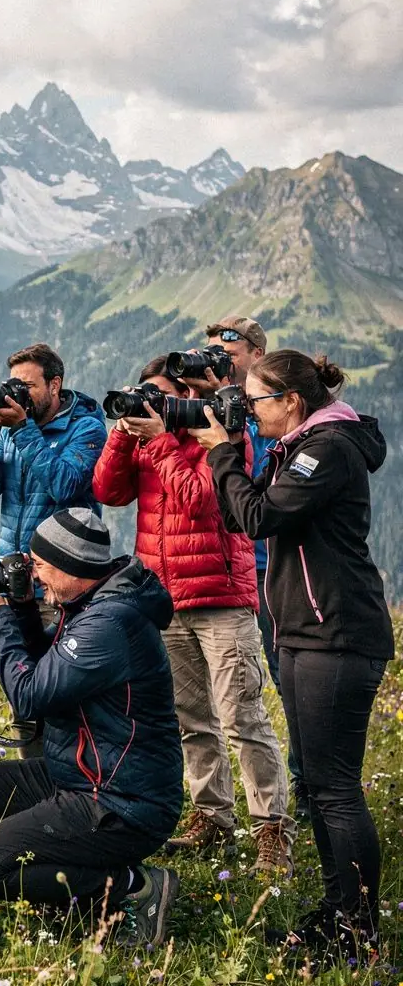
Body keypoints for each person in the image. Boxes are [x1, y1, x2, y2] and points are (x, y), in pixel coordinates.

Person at [197, 350, 395, 959]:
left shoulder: (326, 450)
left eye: (256, 401)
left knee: (335, 789)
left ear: (291, 401)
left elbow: (256, 517)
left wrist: (225, 450)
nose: (250, 411)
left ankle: (358, 930)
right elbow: (248, 512)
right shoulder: (305, 444)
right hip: (310, 634)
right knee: (317, 782)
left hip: (336, 636)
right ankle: (339, 911)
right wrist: (237, 449)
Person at [0, 508, 184, 946]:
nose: (34, 575)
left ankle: (134, 887)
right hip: (77, 772)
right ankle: (71, 881)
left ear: (73, 567)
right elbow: (53, 664)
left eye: (40, 566)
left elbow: (31, 694)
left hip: (120, 800)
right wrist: (26, 612)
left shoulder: (109, 622)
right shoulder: (88, 602)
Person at [92, 355, 294, 874]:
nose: (151, 406)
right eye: (145, 396)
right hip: (165, 599)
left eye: (159, 397)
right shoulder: (144, 442)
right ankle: (213, 818)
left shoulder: (220, 435)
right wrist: (122, 433)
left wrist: (160, 440)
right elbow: (108, 492)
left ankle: (272, 831)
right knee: (191, 719)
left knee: (242, 717)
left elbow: (201, 501)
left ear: (184, 399)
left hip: (220, 597)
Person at [204, 315, 308, 816]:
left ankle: (305, 788)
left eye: (230, 355)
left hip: (274, 562)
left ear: (256, 356)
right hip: (233, 564)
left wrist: (237, 419)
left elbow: (263, 483)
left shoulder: (270, 412)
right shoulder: (220, 407)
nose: (221, 364)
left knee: (289, 679)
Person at [0, 342, 106, 561]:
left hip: (62, 571)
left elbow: (64, 487)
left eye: (27, 386)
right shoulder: (11, 430)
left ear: (54, 385)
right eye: (14, 386)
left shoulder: (87, 429)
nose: (20, 396)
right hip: (11, 565)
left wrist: (21, 428)